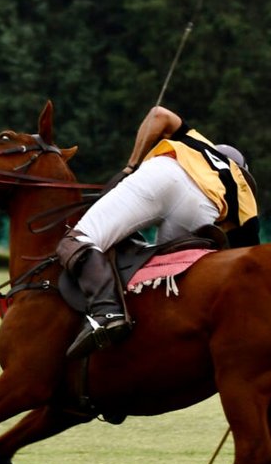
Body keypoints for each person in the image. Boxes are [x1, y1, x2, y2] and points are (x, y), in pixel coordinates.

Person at [57, 106, 260, 360]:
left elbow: (158, 114)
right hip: (203, 206)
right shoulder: (243, 191)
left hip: (165, 175)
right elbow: (251, 257)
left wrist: (130, 167)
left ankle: (107, 312)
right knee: (166, 282)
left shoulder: (196, 141)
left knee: (79, 239)